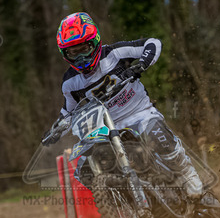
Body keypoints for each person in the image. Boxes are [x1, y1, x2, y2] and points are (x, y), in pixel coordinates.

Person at [44, 12, 204, 199]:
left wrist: (141, 64)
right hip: (107, 129)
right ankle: (122, 203)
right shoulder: (70, 83)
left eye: (84, 50)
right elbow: (69, 112)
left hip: (140, 113)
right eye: (73, 53)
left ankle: (187, 173)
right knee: (84, 169)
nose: (81, 58)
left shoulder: (115, 53)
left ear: (94, 42)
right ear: (65, 55)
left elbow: (152, 43)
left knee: (157, 134)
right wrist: (55, 130)